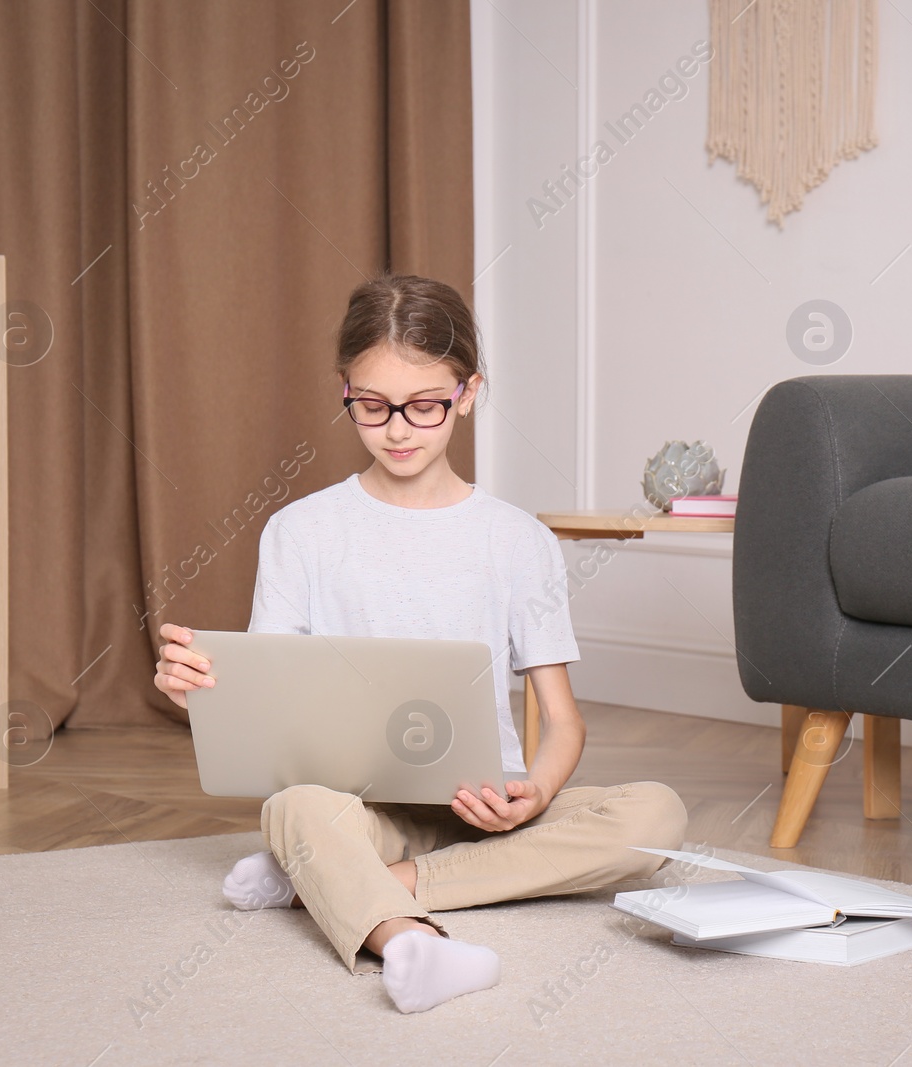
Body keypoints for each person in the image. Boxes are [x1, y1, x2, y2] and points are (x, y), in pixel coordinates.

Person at [153, 273, 688, 1014]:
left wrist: (533, 791)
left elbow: (562, 720)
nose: (398, 429)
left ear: (468, 392)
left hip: (484, 804)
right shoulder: (301, 531)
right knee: (294, 810)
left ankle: (344, 883)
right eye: (371, 406)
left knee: (655, 815)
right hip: (356, 806)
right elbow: (269, 697)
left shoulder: (516, 539)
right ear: (344, 389)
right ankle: (410, 941)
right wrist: (205, 688)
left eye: (424, 405)